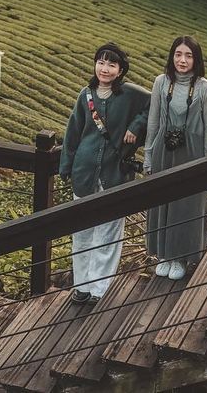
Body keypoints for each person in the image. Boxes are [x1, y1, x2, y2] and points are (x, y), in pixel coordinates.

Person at [58, 41, 150, 306]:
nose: (105, 68)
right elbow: (72, 133)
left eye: (111, 64)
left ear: (121, 70)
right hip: (84, 171)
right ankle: (82, 287)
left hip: (115, 172)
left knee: (109, 232)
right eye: (101, 62)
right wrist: (66, 166)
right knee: (82, 231)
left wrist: (136, 125)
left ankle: (99, 288)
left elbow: (153, 104)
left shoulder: (130, 94)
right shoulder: (85, 94)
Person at [145, 35, 207, 280]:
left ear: (196, 59)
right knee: (163, 202)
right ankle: (164, 254)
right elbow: (153, 121)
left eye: (188, 55)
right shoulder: (161, 82)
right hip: (164, 150)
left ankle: (181, 257)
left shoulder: (205, 88)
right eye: (178, 54)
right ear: (172, 56)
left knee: (186, 205)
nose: (182, 60)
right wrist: (148, 155)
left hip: (192, 152)